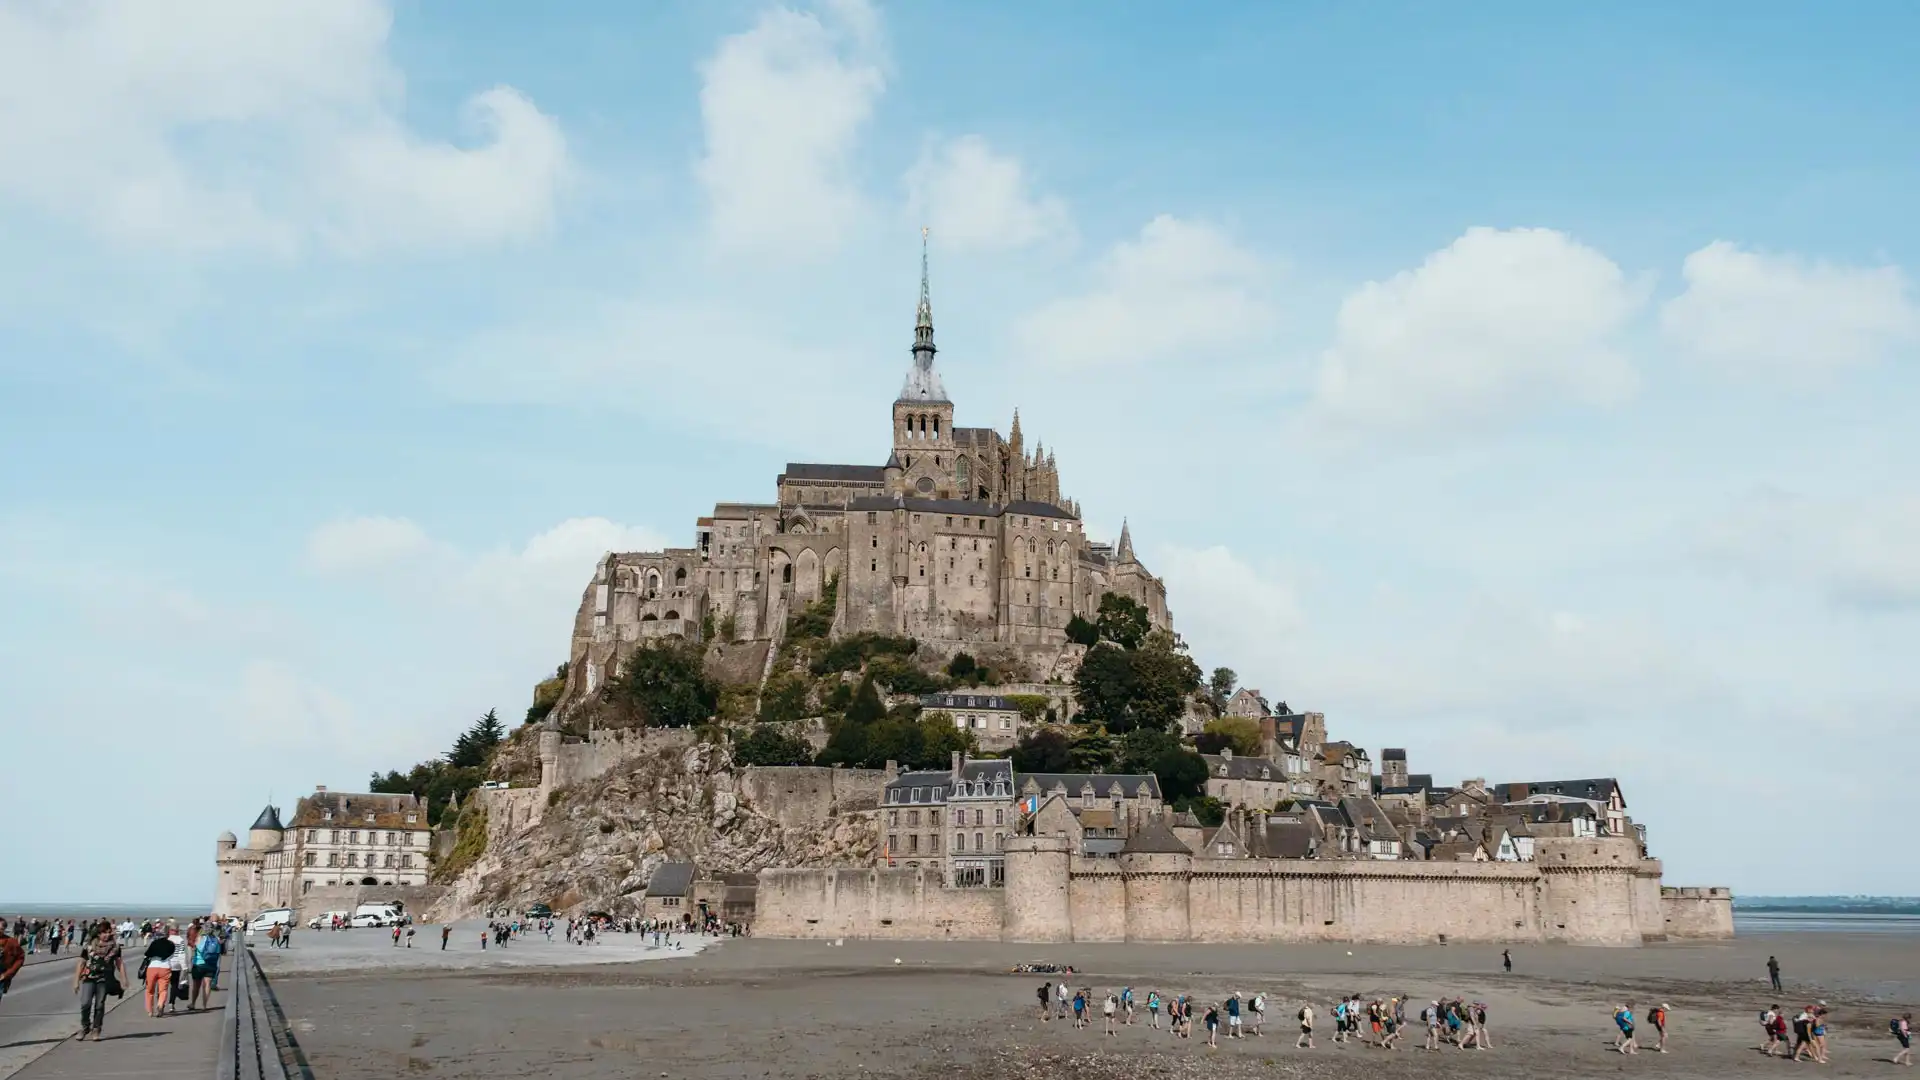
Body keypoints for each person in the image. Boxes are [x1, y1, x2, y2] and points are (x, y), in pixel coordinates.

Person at [73, 927, 125, 1041]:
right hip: (88, 978)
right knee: (85, 1003)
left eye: (108, 932)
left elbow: (119, 963)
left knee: (99, 1005)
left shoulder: (115, 947)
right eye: (104, 932)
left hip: (104, 979)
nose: (106, 935)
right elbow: (81, 963)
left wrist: (124, 979)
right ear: (98, 934)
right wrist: (76, 981)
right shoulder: (89, 946)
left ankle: (96, 1029)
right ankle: (85, 1027)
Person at [189, 927, 222, 1011]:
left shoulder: (199, 938)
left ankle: (193, 1003)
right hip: (211, 964)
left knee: (196, 985)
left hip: (199, 964)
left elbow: (194, 948)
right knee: (207, 985)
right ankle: (204, 1005)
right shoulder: (216, 939)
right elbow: (219, 952)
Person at [0, 923, 24, 1010]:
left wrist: (8, 973)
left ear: (4, 929)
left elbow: (20, 958)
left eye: (1, 928)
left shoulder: (11, 942)